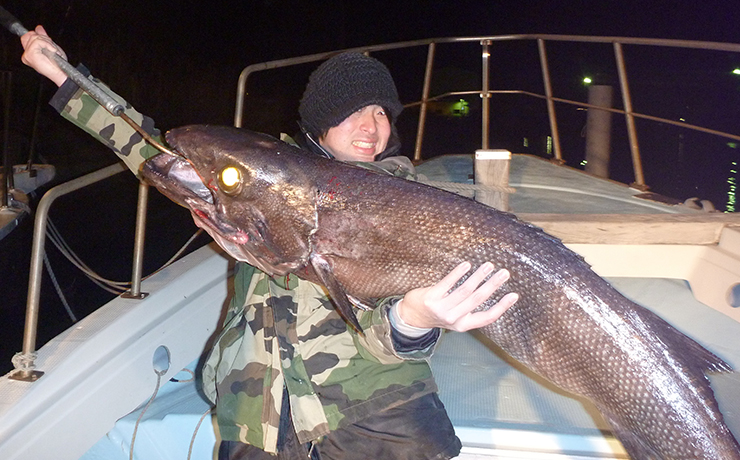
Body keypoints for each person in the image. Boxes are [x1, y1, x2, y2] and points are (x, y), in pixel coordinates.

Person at [21, 26, 520, 460]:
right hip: (255, 413)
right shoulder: (259, 181)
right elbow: (150, 150)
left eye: (382, 113)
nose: (371, 127)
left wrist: (413, 321)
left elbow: (387, 332)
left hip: (375, 410)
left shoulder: (408, 206)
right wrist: (64, 76)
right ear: (321, 120)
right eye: (353, 112)